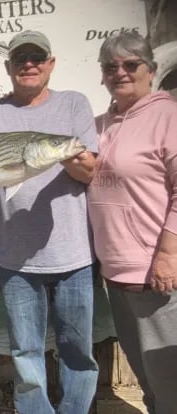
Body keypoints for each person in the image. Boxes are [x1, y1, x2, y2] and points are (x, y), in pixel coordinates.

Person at [0, 30, 99, 413]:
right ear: (8, 67)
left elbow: (89, 171)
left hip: (73, 253)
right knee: (25, 352)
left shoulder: (74, 104)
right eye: (21, 58)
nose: (29, 64)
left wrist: (68, 155)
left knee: (78, 350)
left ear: (51, 64)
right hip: (16, 258)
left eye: (37, 57)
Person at [87, 32, 177, 414]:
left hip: (155, 272)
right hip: (117, 272)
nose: (120, 73)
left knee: (169, 379)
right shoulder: (99, 124)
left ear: (151, 71)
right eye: (111, 67)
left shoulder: (168, 116)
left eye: (131, 65)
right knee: (147, 377)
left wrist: (168, 253)